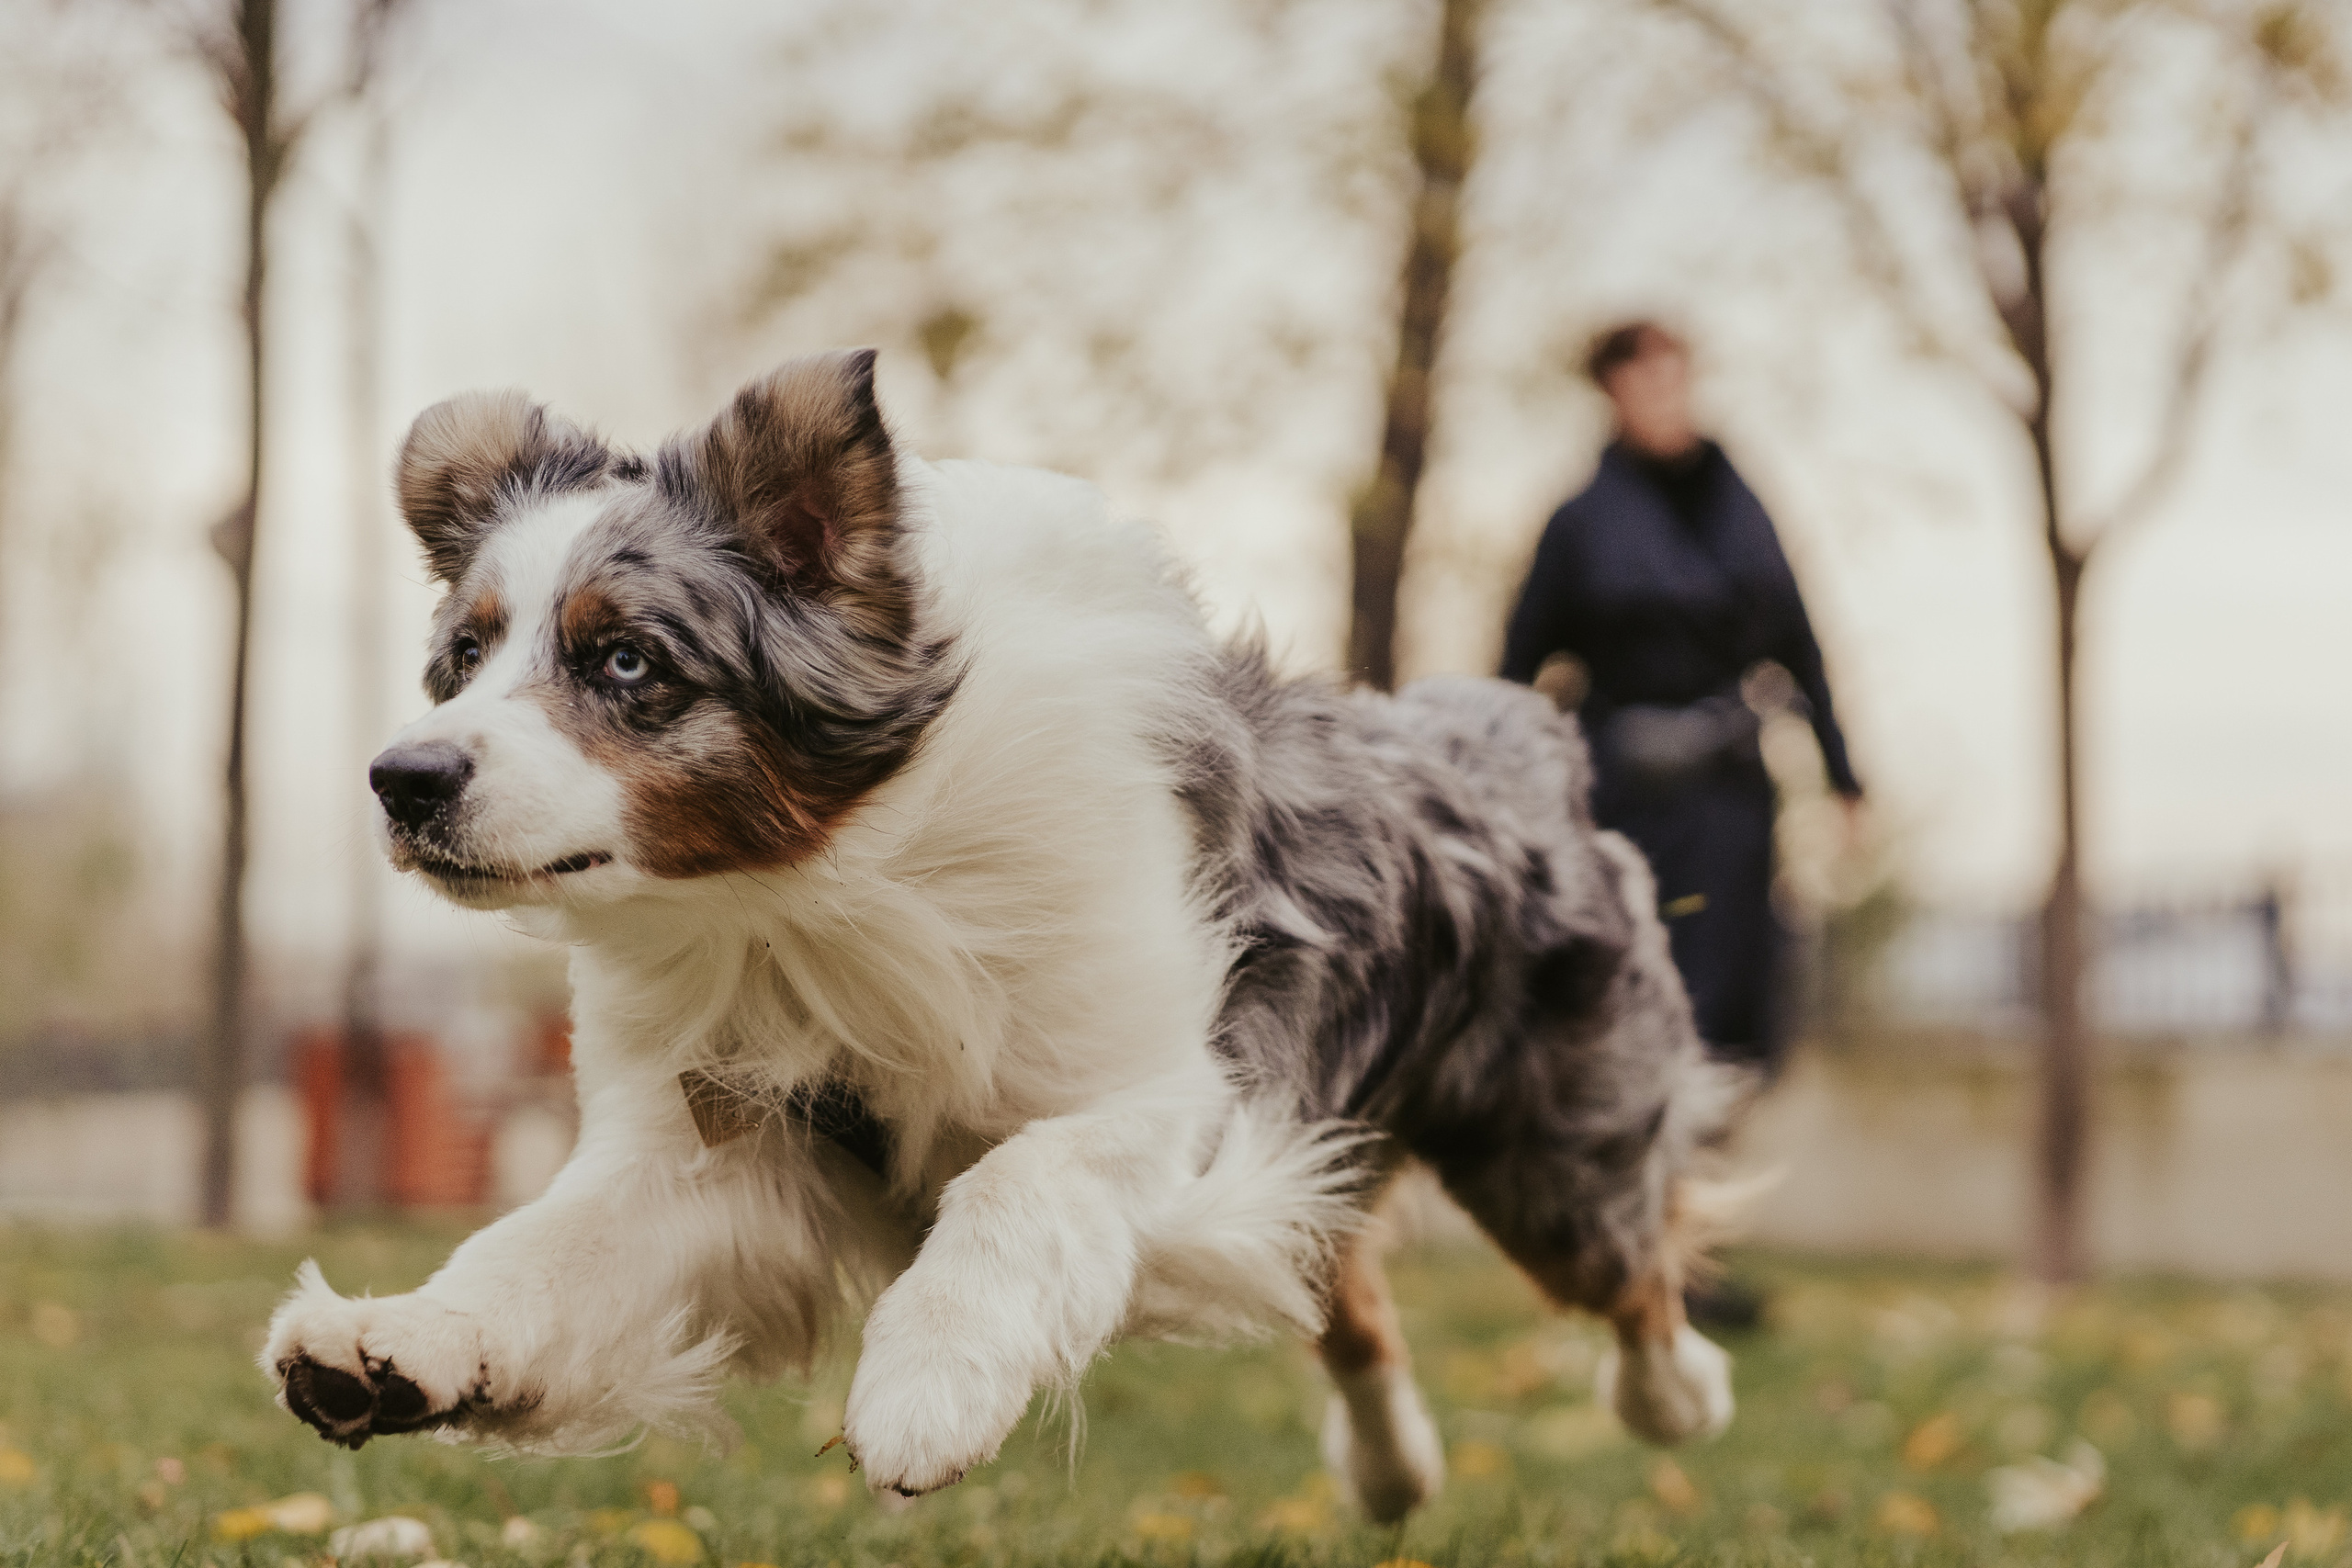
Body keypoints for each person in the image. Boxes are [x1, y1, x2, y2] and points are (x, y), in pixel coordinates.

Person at [1501, 321, 1862, 1081]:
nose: (1665, 398)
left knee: (1734, 1005)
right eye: (1645, 382)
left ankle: (1708, 1162)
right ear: (1614, 393)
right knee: (1633, 991)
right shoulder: (1580, 525)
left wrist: (1845, 777)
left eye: (1675, 378)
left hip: (1730, 801)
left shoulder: (1745, 512)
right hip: (1625, 799)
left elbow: (1800, 646)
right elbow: (1514, 668)